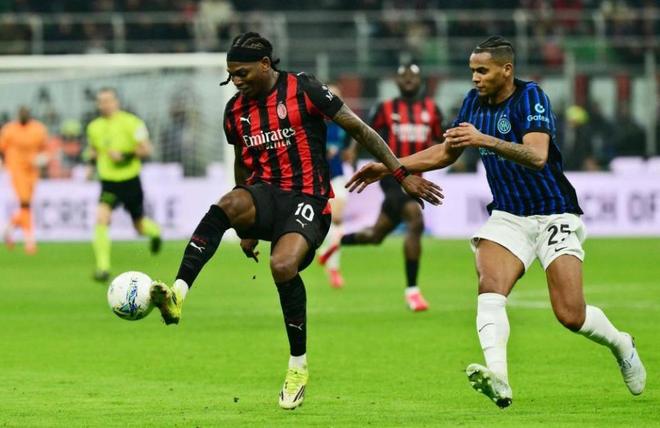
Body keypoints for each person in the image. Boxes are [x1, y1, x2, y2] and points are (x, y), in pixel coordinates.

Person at [148, 32, 442, 411]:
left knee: (283, 266)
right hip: (265, 195)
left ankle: (297, 366)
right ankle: (177, 294)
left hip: (308, 198)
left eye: (241, 73)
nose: (235, 81)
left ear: (265, 65)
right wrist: (245, 227)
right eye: (230, 74)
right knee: (225, 204)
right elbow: (242, 164)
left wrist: (400, 173)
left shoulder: (304, 89)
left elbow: (359, 129)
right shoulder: (235, 111)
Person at [347, 36, 646, 407]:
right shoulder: (473, 102)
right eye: (472, 70)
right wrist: (392, 166)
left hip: (554, 212)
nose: (475, 78)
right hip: (508, 215)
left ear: (506, 70)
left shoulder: (531, 98)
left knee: (571, 315)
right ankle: (499, 378)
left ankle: (622, 344)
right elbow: (447, 151)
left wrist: (483, 139)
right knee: (489, 287)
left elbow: (536, 156)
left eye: (482, 71)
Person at [320, 63, 443, 311]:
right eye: (403, 76)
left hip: (416, 179)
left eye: (413, 77)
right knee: (415, 220)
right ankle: (413, 292)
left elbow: (443, 142)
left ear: (420, 81)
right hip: (392, 176)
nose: (408, 80)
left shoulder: (432, 110)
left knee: (375, 236)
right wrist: (353, 152)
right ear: (396, 81)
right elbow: (365, 132)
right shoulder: (386, 108)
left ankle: (337, 241)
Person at [85, 88, 162, 282]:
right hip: (109, 183)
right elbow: (94, 150)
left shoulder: (132, 122)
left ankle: (155, 233)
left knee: (139, 227)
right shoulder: (94, 127)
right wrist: (90, 165)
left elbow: (146, 149)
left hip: (130, 181)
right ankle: (103, 268)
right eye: (101, 101)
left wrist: (125, 155)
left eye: (108, 100)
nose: (105, 105)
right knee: (101, 218)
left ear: (116, 102)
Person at [316, 83, 354, 288]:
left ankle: (330, 262)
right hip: (317, 180)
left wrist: (350, 154)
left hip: (337, 177)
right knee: (325, 224)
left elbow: (355, 139)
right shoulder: (312, 123)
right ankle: (331, 266)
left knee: (337, 219)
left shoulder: (342, 124)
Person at [0, 106, 48, 254]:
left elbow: (45, 149)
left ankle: (9, 228)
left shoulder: (38, 129)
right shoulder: (9, 130)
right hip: (16, 170)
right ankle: (29, 241)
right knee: (25, 203)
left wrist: (42, 159)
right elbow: (1, 148)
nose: (23, 116)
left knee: (25, 206)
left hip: (32, 171)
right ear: (17, 115)